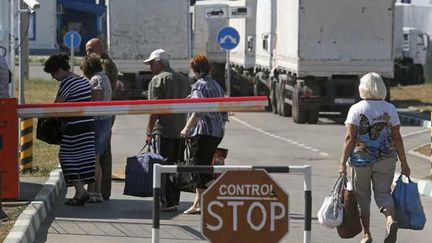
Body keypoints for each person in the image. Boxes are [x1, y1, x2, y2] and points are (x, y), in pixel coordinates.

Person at [338, 72, 411, 243]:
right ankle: (390, 220)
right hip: (386, 159)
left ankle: (367, 235)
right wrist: (404, 163)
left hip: (361, 160)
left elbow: (350, 138)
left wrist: (342, 162)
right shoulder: (390, 109)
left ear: (363, 88)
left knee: (362, 197)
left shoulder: (356, 109)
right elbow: (397, 137)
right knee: (384, 193)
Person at [44, 54, 96, 206]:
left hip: (74, 127)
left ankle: (80, 191)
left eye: (53, 74)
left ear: (60, 70)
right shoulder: (83, 80)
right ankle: (81, 191)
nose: (53, 77)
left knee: (66, 157)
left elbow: (57, 105)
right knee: (82, 158)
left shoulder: (67, 83)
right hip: (87, 125)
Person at [180, 54, 228, 214]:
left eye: (193, 71)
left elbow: (198, 108)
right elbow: (224, 111)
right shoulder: (216, 85)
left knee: (199, 167)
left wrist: (186, 128)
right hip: (217, 132)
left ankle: (213, 191)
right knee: (204, 166)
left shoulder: (199, 86)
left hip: (202, 132)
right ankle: (198, 203)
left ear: (197, 70)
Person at [144, 49, 191, 211]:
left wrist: (149, 131)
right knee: (176, 166)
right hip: (181, 130)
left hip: (163, 131)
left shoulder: (157, 81)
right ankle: (174, 200)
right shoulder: (184, 80)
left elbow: (154, 109)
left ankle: (164, 200)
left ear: (159, 63)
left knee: (162, 167)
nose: (150, 67)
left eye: (151, 63)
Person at [86, 37, 118, 200]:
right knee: (100, 153)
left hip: (102, 114)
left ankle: (101, 190)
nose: (88, 53)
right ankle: (99, 190)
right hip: (106, 112)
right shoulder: (104, 65)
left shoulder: (103, 66)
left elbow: (100, 95)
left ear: (100, 47)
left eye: (91, 49)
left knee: (101, 154)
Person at [80, 54, 113, 203]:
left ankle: (92, 191)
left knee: (93, 159)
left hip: (97, 121)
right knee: (97, 158)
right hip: (106, 120)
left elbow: (95, 100)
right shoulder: (105, 77)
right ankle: (97, 191)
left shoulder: (95, 80)